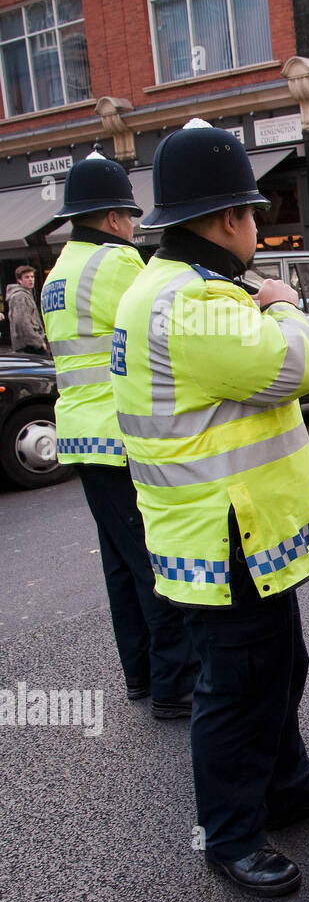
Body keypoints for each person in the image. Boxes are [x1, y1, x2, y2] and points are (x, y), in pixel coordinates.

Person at [111, 118, 309, 897]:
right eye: (254, 213)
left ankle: (287, 786)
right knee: (237, 687)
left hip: (238, 534)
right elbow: (295, 365)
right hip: (225, 538)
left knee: (280, 666)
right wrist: (285, 303)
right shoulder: (192, 303)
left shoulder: (177, 290)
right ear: (226, 221)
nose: (260, 226)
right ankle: (232, 836)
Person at [43, 150, 199, 717]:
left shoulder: (58, 272)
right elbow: (158, 328)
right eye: (130, 217)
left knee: (119, 562)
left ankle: (140, 673)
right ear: (112, 218)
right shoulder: (116, 263)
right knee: (154, 558)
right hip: (119, 433)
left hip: (80, 433)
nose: (135, 227)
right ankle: (174, 684)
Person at [8, 265, 47, 355]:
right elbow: (23, 323)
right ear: (19, 280)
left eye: (32, 277)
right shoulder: (20, 296)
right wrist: (38, 342)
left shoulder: (25, 294)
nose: (30, 279)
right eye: (27, 277)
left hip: (29, 344)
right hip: (29, 346)